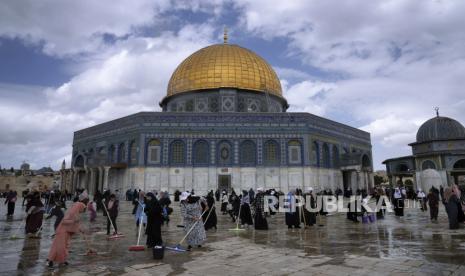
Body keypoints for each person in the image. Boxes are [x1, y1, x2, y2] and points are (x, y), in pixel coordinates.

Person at [47, 191, 89, 268]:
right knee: (59, 247)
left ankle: (61, 260)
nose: (82, 211)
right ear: (80, 207)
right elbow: (64, 221)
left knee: (64, 246)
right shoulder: (72, 212)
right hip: (62, 231)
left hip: (67, 232)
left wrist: (81, 229)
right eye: (82, 210)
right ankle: (52, 261)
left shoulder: (75, 212)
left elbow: (76, 223)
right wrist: (74, 221)